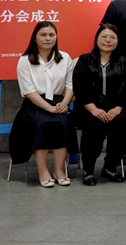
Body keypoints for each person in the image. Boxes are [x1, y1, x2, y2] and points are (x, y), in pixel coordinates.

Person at [8, 21, 76, 188]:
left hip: (59, 102)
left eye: (51, 35)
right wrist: (49, 108)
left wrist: (64, 103)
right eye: (43, 35)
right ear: (35, 38)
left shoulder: (65, 58)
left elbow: (70, 85)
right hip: (34, 104)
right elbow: (28, 91)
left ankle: (59, 170)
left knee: (63, 123)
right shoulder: (25, 60)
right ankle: (43, 170)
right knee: (41, 123)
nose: (48, 38)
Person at [72, 24, 126, 186]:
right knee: (94, 127)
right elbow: (78, 86)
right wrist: (93, 109)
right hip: (88, 108)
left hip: (116, 107)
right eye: (104, 36)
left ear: (118, 41)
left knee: (122, 124)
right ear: (96, 40)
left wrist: (118, 108)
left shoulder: (123, 62)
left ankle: (110, 168)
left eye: (112, 37)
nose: (108, 40)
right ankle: (88, 170)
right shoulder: (84, 60)